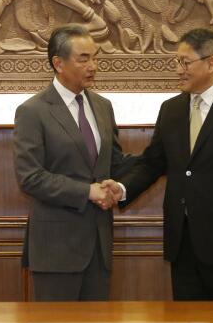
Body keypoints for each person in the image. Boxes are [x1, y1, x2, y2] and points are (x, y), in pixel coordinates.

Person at [108, 28, 213, 300]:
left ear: (211, 63)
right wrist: (122, 189)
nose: (178, 70)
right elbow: (153, 163)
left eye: (185, 62)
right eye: (176, 62)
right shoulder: (171, 109)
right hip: (182, 243)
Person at [14, 24, 132, 301]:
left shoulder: (103, 106)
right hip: (56, 251)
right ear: (58, 63)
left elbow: (113, 162)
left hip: (99, 249)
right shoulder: (33, 111)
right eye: (84, 58)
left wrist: (119, 184)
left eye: (95, 57)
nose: (93, 66)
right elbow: (30, 176)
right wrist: (87, 191)